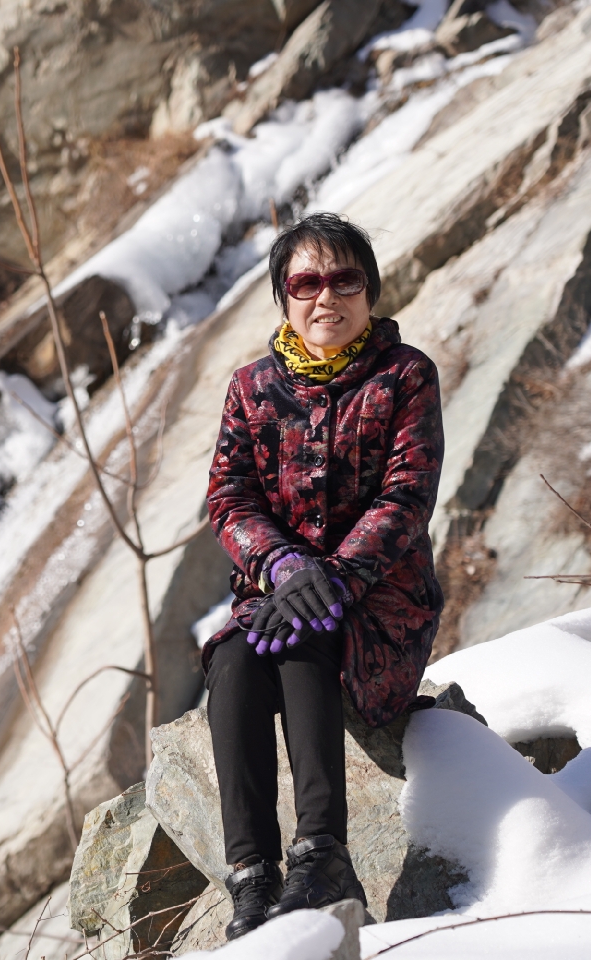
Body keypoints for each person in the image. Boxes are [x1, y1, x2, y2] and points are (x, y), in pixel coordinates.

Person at [202, 212, 445, 939]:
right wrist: (282, 565)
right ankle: (251, 876)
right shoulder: (251, 388)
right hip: (276, 590)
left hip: (380, 600)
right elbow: (227, 496)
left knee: (306, 632)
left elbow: (407, 495)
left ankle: (323, 853)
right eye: (306, 282)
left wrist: (332, 578)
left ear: (369, 289)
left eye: (343, 279)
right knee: (235, 661)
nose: (325, 296)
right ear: (285, 298)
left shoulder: (405, 376)